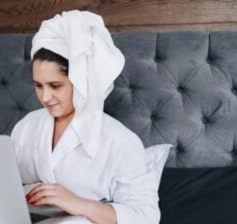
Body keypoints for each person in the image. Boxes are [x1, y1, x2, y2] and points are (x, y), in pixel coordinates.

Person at [11, 10, 160, 224]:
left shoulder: (120, 142)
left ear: (82, 82)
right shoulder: (27, 126)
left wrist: (80, 204)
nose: (45, 97)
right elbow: (8, 181)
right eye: (38, 85)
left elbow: (147, 217)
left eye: (55, 86)